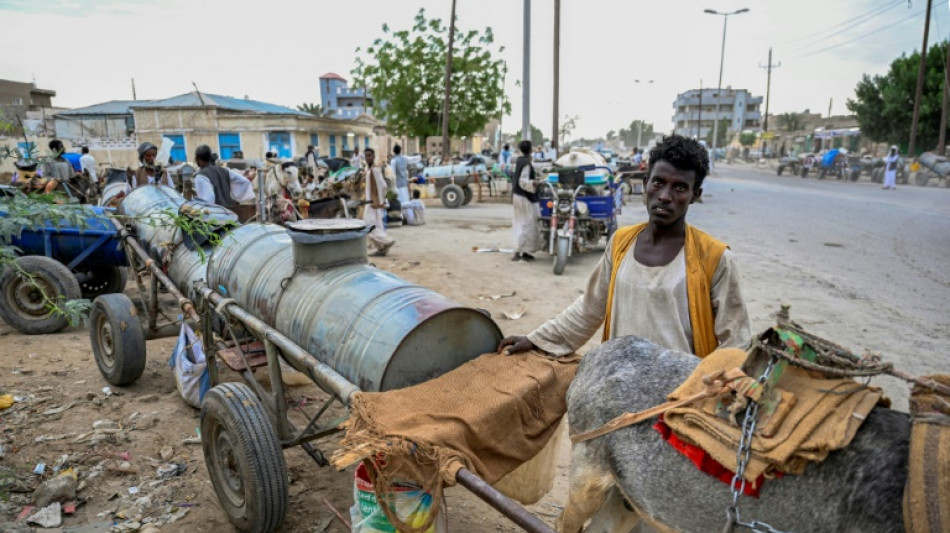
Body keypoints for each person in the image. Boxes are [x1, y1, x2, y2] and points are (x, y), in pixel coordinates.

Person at [499, 134, 750, 359]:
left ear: (695, 194)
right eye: (658, 182)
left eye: (680, 187)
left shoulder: (715, 258)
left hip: (678, 402)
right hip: (617, 389)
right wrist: (536, 339)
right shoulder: (621, 243)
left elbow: (736, 342)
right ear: (645, 183)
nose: (665, 195)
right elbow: (589, 308)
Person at [359, 147, 395, 256]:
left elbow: (383, 185)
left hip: (374, 203)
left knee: (369, 225)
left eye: (369, 155)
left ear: (373, 156)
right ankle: (382, 249)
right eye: (366, 156)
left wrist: (381, 199)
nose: (367, 158)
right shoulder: (368, 169)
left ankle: (387, 240)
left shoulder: (375, 169)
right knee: (376, 225)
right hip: (370, 202)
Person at [511, 140, 541, 262]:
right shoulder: (527, 163)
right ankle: (521, 252)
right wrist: (534, 183)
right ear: (530, 149)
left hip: (517, 195)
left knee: (520, 224)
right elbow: (523, 182)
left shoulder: (520, 160)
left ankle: (521, 251)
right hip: (524, 197)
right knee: (528, 224)